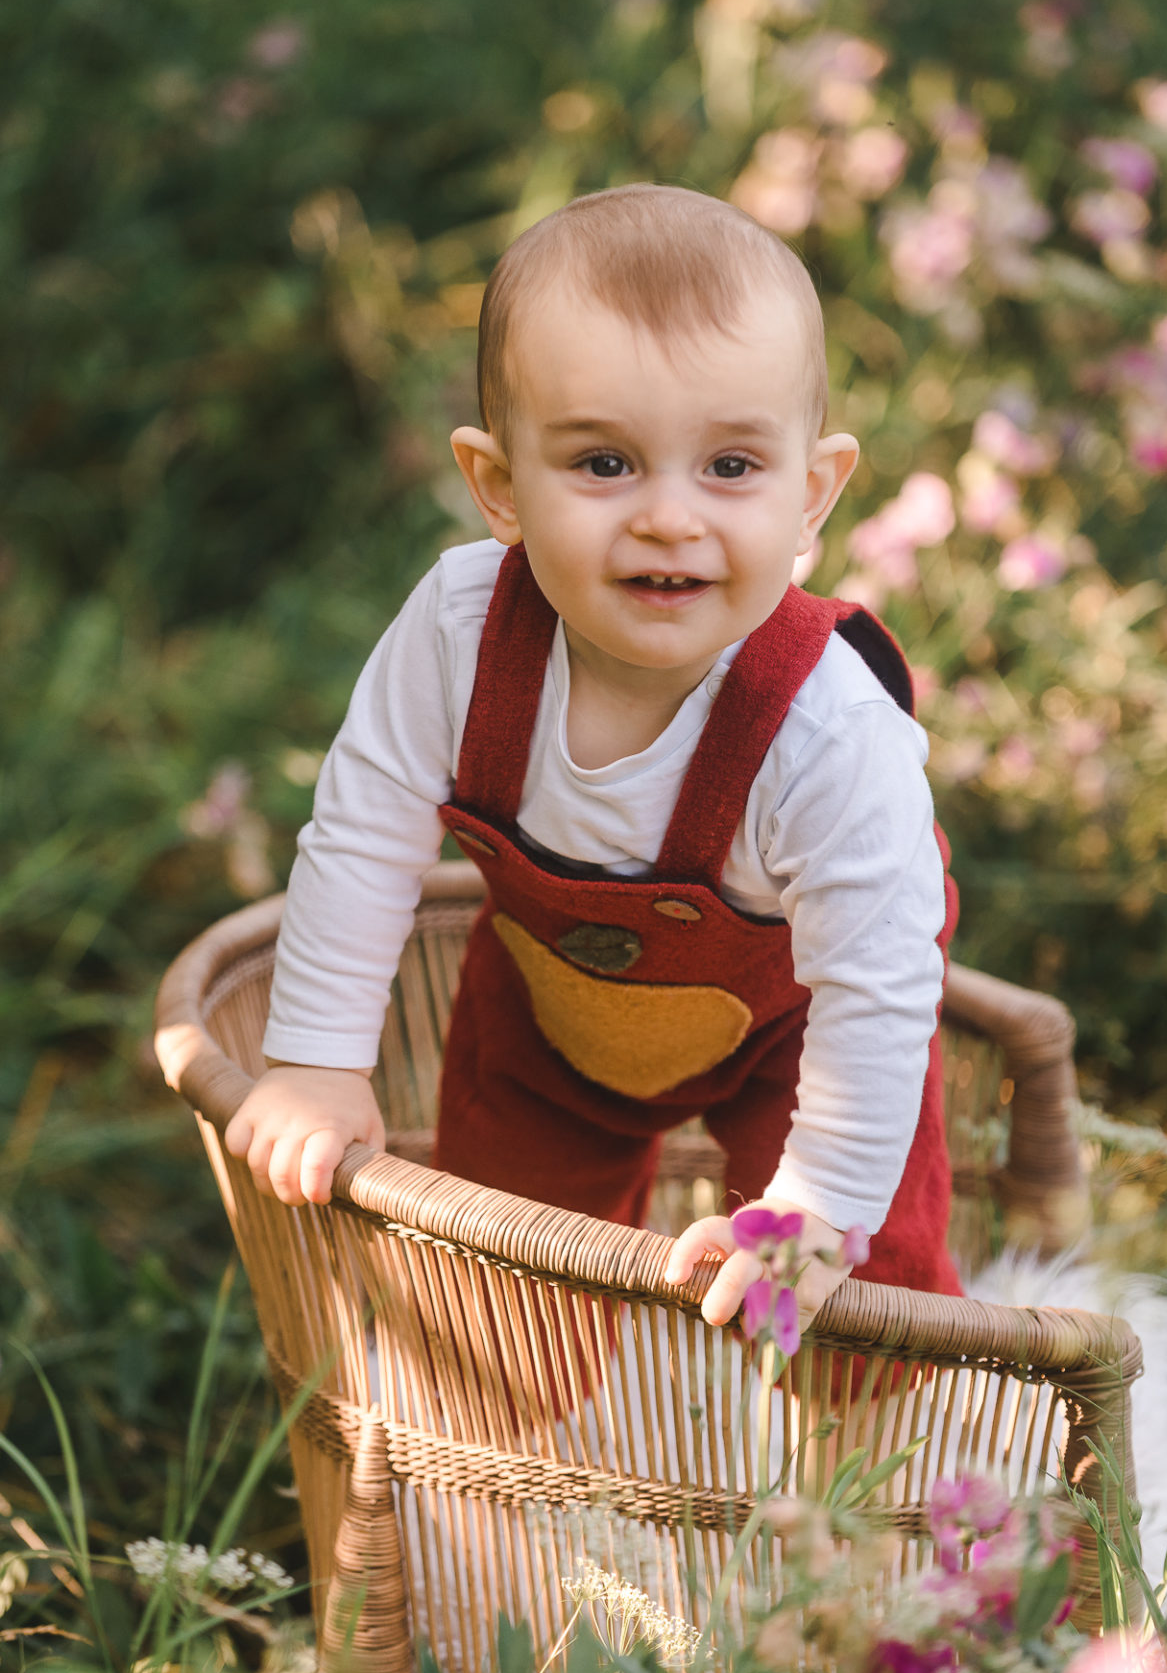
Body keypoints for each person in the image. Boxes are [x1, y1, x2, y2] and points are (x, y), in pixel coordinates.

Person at [226, 183, 964, 1332]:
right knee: (495, 1282)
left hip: (801, 1035)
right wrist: (318, 1060)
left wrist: (814, 1210)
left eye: (729, 468)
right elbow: (363, 832)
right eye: (604, 465)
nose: (670, 517)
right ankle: (516, 1476)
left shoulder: (828, 733)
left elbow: (874, 993)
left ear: (812, 495)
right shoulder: (462, 630)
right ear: (500, 487)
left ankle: (874, 1479)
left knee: (856, 1299)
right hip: (546, 1010)